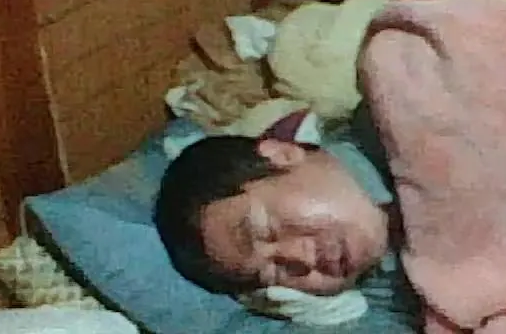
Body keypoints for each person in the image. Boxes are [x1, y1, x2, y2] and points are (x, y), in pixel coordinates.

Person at [154, 105, 405, 299]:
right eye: (275, 272)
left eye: (268, 230)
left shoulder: (397, 112)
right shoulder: (395, 300)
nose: (299, 258)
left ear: (282, 154)